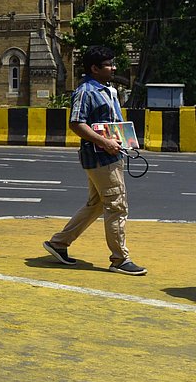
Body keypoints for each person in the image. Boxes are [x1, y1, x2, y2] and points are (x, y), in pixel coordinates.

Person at [43, 46, 147, 275]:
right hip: (100, 157)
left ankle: (59, 243)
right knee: (117, 206)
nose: (114, 67)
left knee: (98, 204)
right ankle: (120, 259)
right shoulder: (85, 91)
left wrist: (123, 141)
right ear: (94, 68)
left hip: (113, 154)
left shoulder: (108, 90)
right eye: (109, 64)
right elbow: (76, 123)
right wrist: (105, 143)